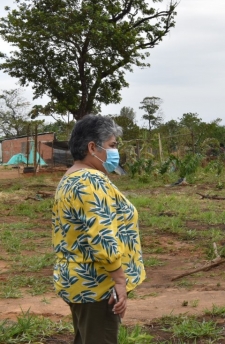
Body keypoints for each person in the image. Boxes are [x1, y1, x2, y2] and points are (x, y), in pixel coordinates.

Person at [52, 115, 145, 343]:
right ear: (92, 147)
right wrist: (120, 281)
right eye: (112, 146)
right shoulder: (90, 181)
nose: (115, 152)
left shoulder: (71, 177)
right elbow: (102, 237)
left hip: (81, 283)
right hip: (98, 287)